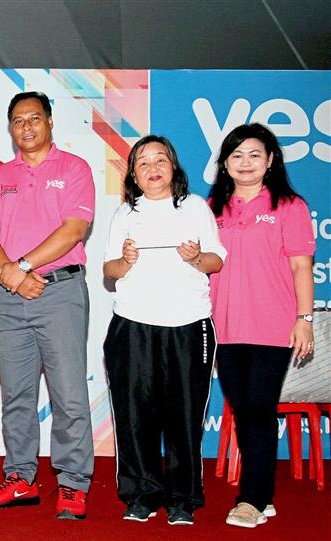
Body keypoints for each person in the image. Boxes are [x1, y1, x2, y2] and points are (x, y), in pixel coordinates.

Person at [0, 91, 95, 520]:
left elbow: (74, 229)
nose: (26, 127)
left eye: (34, 118)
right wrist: (10, 274)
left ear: (50, 121)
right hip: (10, 299)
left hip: (58, 292)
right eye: (18, 121)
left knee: (69, 395)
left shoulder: (74, 168)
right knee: (17, 395)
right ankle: (20, 477)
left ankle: (73, 482)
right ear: (10, 128)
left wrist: (21, 267)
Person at [102, 135, 225, 525]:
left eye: (160, 160)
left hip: (187, 325)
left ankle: (183, 498)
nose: (152, 168)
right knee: (134, 416)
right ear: (133, 174)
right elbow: (109, 270)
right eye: (143, 163)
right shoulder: (125, 213)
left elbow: (216, 261)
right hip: (132, 325)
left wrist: (196, 257)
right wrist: (125, 261)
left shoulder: (195, 208)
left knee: (184, 416)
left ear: (173, 166)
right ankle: (141, 494)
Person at [207, 123, 315, 529]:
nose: (246, 162)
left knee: (258, 410)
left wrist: (304, 319)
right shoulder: (212, 207)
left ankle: (252, 498)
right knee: (243, 409)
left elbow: (302, 266)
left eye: (255, 154)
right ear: (225, 163)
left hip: (273, 327)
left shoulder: (289, 206)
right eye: (237, 155)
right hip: (225, 327)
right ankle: (262, 495)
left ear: (270, 160)